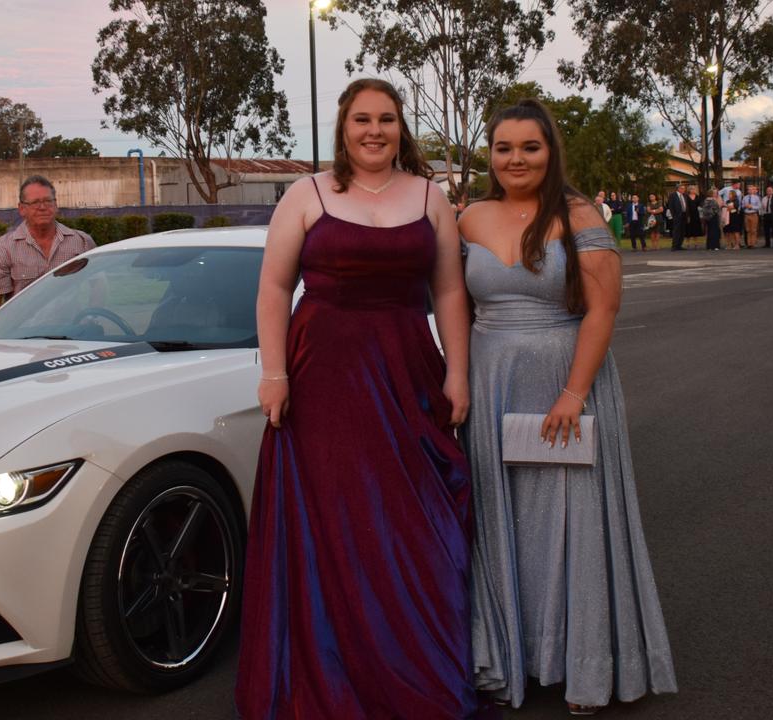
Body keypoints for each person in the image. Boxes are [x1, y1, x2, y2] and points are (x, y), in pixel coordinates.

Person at [236, 78, 477, 719]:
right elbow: (272, 289)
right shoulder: (306, 193)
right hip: (323, 381)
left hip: (407, 373)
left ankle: (410, 667)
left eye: (387, 119)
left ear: (402, 128)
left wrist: (459, 372)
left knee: (413, 523)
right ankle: (334, 671)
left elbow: (450, 291)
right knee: (334, 522)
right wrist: (275, 372)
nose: (375, 130)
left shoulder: (430, 197)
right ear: (343, 127)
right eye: (362, 119)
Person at [458, 98, 676, 717]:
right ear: (490, 154)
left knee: (570, 518)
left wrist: (574, 394)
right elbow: (448, 301)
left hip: (566, 379)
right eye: (504, 148)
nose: (516, 159)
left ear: (550, 150)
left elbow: (604, 307)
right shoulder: (468, 218)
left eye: (530, 146)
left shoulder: (578, 213)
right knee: (502, 519)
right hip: (491, 380)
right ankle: (510, 658)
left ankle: (584, 664)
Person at [0, 175, 96, 319]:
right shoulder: (3, 249)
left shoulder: (82, 242)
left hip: (72, 333)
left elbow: (98, 284)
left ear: (56, 205)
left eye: (48, 201)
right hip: (23, 336)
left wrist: (92, 318)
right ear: (22, 209)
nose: (42, 207)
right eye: (35, 202)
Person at [667, 183, 689, 251]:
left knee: (682, 231)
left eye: (684, 189)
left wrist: (688, 215)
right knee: (676, 231)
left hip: (684, 215)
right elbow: (671, 206)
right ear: (678, 189)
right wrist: (674, 215)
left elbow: (686, 205)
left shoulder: (685, 195)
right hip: (677, 216)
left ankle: (679, 245)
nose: (684, 190)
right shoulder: (673, 195)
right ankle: (674, 246)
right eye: (682, 188)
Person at [741, 185, 761, 249]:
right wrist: (745, 206)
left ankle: (753, 243)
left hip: (753, 214)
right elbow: (742, 205)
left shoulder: (756, 198)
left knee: (753, 230)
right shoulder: (745, 197)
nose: (750, 191)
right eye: (749, 189)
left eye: (751, 189)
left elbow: (759, 206)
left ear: (753, 190)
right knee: (748, 230)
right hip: (747, 215)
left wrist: (752, 206)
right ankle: (749, 243)